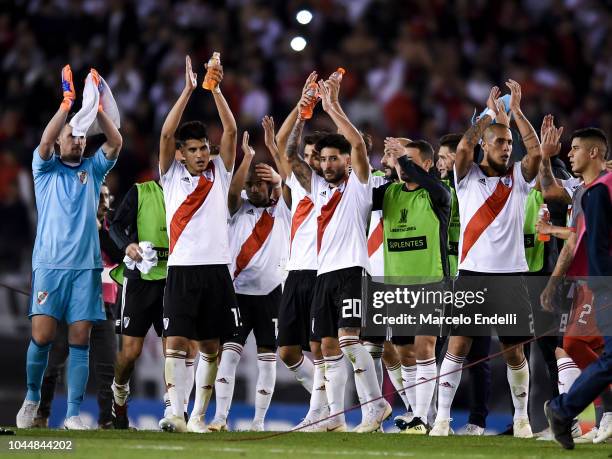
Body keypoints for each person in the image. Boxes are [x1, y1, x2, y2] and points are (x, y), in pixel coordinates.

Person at [432, 81, 541, 438]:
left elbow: (537, 154)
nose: (507, 148)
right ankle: (441, 420)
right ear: (485, 144)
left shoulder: (518, 179)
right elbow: (463, 146)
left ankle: (522, 418)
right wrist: (488, 115)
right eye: (500, 141)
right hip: (472, 274)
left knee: (513, 351)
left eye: (510, 143)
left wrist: (517, 113)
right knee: (458, 346)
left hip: (510, 277)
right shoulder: (467, 177)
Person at [16, 65, 122, 430]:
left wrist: (98, 110)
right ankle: (31, 399)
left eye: (81, 136)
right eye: (71, 136)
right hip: (49, 265)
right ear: (61, 142)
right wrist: (68, 105)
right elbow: (43, 143)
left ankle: (73, 414)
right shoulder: (44, 171)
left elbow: (116, 142)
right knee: (42, 338)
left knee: (80, 342)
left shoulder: (93, 171)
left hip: (86, 270)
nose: (77, 140)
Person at [285, 75, 392, 433]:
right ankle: (331, 417)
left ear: (347, 161)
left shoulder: (360, 185)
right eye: (324, 159)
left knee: (348, 338)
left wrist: (332, 107)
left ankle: (375, 405)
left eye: (335, 158)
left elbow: (359, 145)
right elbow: (289, 154)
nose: (328, 164)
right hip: (323, 274)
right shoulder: (316, 185)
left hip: (351, 270)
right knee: (324, 345)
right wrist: (304, 112)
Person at [157, 56, 239, 433]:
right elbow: (164, 134)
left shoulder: (220, 174)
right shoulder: (170, 176)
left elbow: (232, 132)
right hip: (182, 270)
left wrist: (215, 90)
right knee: (175, 341)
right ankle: (174, 412)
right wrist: (188, 90)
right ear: (180, 154)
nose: (202, 153)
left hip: (216, 270)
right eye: (193, 149)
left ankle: (198, 417)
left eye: (204, 148)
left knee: (210, 347)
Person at [207, 124, 291, 432]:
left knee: (268, 358)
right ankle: (219, 418)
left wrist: (278, 171)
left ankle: (258, 422)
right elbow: (232, 190)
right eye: (251, 184)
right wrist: (248, 158)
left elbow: (291, 187)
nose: (254, 188)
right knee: (227, 355)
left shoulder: (283, 210)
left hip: (271, 293)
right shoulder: (235, 207)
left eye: (260, 185)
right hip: (237, 292)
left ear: (271, 189)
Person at [541, 127, 612, 447]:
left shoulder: (598, 190)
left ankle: (567, 409)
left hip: (598, 284)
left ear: (594, 153)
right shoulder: (591, 192)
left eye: (576, 148)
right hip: (602, 285)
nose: (570, 153)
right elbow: (588, 242)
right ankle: (569, 409)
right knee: (581, 347)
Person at [374, 137, 450, 435]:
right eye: (400, 160)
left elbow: (420, 177)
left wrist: (400, 156)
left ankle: (419, 416)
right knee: (403, 350)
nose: (402, 164)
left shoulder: (437, 194)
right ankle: (423, 414)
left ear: (427, 164)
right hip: (397, 285)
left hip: (430, 281)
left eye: (409, 159)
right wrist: (388, 160)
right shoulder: (390, 193)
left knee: (424, 347)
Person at [33, 184, 122, 429]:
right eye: (98, 197)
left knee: (107, 368)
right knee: (54, 361)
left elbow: (119, 254)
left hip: (104, 306)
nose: (103, 201)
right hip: (71, 305)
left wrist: (98, 232)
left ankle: (107, 420)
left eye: (106, 196)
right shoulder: (69, 227)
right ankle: (41, 414)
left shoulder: (113, 229)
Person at [436, 133, 492, 435]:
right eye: (440, 158)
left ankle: (477, 419)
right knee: (437, 350)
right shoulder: (431, 192)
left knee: (477, 354)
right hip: (439, 280)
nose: (443, 163)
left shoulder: (470, 188)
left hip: (470, 277)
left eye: (448, 157)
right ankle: (433, 415)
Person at [108, 177, 168, 429]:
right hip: (139, 279)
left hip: (173, 278)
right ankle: (119, 396)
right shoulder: (142, 191)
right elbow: (115, 226)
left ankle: (175, 409)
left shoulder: (193, 192)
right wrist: (127, 245)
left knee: (176, 349)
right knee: (131, 352)